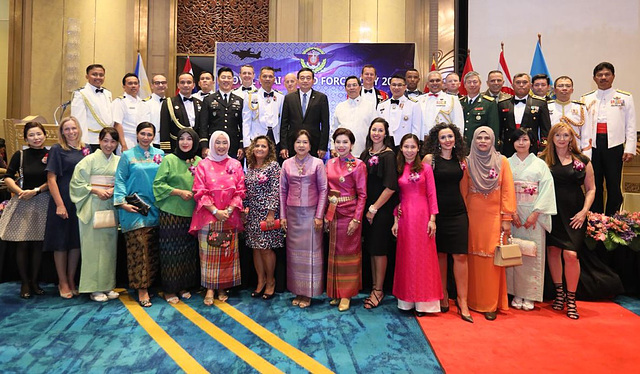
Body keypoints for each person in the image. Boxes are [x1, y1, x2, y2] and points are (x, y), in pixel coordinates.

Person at [541, 123, 596, 319]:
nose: (562, 139)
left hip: (575, 214)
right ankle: (559, 294)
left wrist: (584, 212)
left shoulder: (582, 160)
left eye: (566, 135)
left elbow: (591, 189)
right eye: (558, 135)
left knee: (571, 255)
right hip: (552, 213)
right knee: (553, 251)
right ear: (552, 138)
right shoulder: (544, 160)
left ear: (572, 138)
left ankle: (571, 299)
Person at [422, 123, 473, 322]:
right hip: (436, 213)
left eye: (450, 136)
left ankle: (463, 302)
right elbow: (423, 187)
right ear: (437, 140)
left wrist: (467, 212)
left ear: (456, 139)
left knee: (461, 256)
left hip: (458, 212)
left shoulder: (461, 160)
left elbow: (464, 188)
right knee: (440, 255)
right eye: (443, 137)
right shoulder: (429, 159)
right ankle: (442, 295)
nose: (447, 140)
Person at [464, 126, 516, 320]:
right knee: (472, 256)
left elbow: (507, 191)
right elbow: (463, 192)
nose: (483, 141)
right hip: (471, 217)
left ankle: (491, 304)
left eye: (487, 138)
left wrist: (507, 218)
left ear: (493, 140)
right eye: (479, 138)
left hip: (494, 216)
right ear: (474, 140)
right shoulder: (467, 162)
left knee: (491, 258)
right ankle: (470, 300)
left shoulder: (501, 161)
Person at [190, 131, 246, 305]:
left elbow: (240, 190)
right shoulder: (203, 165)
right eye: (218, 143)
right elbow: (200, 191)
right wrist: (215, 211)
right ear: (212, 144)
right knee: (208, 255)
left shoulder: (235, 164)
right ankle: (209, 288)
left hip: (229, 216)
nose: (221, 146)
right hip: (208, 216)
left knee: (226, 253)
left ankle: (223, 286)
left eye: (224, 143)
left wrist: (228, 210)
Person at [114, 122, 164, 307]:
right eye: (142, 133)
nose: (145, 137)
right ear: (136, 135)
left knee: (152, 250)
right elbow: (119, 180)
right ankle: (141, 289)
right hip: (134, 209)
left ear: (154, 136)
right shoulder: (127, 156)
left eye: (149, 134)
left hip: (155, 208)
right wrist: (122, 203)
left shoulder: (160, 155)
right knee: (139, 249)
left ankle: (150, 285)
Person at [391, 133, 442, 316]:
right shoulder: (398, 168)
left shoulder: (426, 168)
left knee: (423, 258)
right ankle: (406, 301)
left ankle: (424, 304)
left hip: (423, 217)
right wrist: (395, 219)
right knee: (407, 257)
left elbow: (432, 194)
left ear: (418, 148)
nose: (409, 150)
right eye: (406, 147)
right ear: (401, 148)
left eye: (413, 147)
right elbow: (397, 196)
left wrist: (432, 219)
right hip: (405, 217)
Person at [507, 128, 556, 311]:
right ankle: (515, 293)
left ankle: (530, 295)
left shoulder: (540, 164)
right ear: (512, 142)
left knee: (531, 254)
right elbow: (503, 188)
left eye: (525, 139)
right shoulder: (507, 163)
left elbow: (546, 190)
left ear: (531, 142)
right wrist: (511, 212)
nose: (521, 143)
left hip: (534, 214)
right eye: (517, 139)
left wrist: (535, 214)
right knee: (515, 252)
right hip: (513, 213)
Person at [69, 127, 121, 302]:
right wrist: (94, 189)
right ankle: (93, 288)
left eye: (113, 141)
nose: (109, 145)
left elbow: (123, 181)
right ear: (99, 141)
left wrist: (114, 189)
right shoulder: (88, 160)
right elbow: (76, 183)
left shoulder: (119, 161)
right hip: (92, 204)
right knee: (92, 248)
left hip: (109, 205)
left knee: (108, 247)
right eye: (105, 140)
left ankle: (107, 285)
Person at [0, 122, 50, 299]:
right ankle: (24, 282)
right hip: (22, 200)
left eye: (39, 134)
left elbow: (54, 179)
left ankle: (35, 281)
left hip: (42, 200)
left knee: (38, 244)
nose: (36, 138)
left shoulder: (51, 154)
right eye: (31, 135)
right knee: (22, 243)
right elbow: (7, 177)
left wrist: (36, 191)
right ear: (26, 138)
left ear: (45, 135)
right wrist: (20, 191)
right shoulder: (20, 155)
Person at [153, 128, 201, 304]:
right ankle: (168, 289)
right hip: (171, 213)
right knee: (170, 253)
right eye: (182, 138)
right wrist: (178, 192)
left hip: (192, 213)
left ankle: (183, 286)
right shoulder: (169, 159)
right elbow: (158, 184)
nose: (185, 142)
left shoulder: (199, 161)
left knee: (187, 252)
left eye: (189, 139)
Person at [280, 130, 328, 308]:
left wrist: (319, 216)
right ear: (293, 144)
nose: (301, 145)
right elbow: (282, 190)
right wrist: (283, 215)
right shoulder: (286, 164)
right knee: (294, 256)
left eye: (305, 142)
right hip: (292, 215)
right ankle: (298, 290)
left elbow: (324, 189)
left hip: (311, 214)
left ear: (310, 145)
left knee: (311, 254)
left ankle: (309, 293)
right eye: (298, 142)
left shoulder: (317, 163)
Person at [581, 62, 636, 215]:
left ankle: (614, 220)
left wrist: (630, 148)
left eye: (607, 74)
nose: (603, 78)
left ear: (613, 76)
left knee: (613, 185)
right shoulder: (586, 98)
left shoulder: (625, 97)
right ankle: (595, 220)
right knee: (594, 184)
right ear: (594, 78)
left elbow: (631, 124)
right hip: (592, 147)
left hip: (614, 145)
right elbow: (582, 126)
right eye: (599, 75)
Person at [43, 117, 86, 298]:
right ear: (62, 132)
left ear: (78, 129)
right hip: (62, 200)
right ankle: (62, 282)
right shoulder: (57, 149)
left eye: (73, 128)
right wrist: (60, 204)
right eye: (66, 129)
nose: (71, 132)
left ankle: (71, 279)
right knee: (60, 243)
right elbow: (51, 179)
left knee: (75, 242)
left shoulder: (86, 149)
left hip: (80, 201)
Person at [325, 128, 367, 312]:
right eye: (338, 142)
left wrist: (356, 220)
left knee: (348, 255)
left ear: (351, 144)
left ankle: (346, 295)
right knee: (334, 253)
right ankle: (335, 291)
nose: (341, 146)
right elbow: (326, 190)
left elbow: (363, 195)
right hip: (333, 214)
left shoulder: (358, 165)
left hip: (350, 214)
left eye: (345, 142)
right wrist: (326, 215)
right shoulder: (330, 163)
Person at [360, 118, 398, 309]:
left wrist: (374, 208)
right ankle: (375, 286)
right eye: (373, 129)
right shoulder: (366, 153)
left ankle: (379, 289)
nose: (376, 133)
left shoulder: (389, 155)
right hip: (367, 209)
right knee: (371, 249)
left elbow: (391, 186)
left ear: (386, 133)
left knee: (380, 250)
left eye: (380, 130)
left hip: (380, 209)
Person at [244, 135, 284, 300]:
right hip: (252, 213)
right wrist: (244, 208)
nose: (260, 148)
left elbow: (276, 190)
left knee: (266, 249)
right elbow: (246, 189)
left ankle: (270, 281)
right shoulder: (251, 167)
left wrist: (271, 213)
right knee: (256, 248)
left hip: (267, 213)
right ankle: (260, 281)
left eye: (264, 146)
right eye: (257, 145)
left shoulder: (274, 166)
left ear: (269, 150)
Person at [280, 68, 330, 159]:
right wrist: (284, 146)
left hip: (314, 144)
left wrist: (323, 147)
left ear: (313, 80)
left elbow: (325, 124)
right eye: (302, 78)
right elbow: (284, 124)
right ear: (298, 81)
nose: (305, 81)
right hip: (293, 143)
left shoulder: (321, 98)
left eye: (308, 78)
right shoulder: (289, 98)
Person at [497, 73, 551, 156]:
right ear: (512, 85)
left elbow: (545, 129)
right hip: (508, 148)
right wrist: (498, 148)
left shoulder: (540, 103)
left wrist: (543, 148)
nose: (521, 85)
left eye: (524, 82)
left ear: (530, 85)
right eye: (518, 82)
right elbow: (499, 130)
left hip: (531, 148)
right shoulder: (503, 104)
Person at [198, 67, 244, 160]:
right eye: (223, 77)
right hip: (214, 144)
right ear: (218, 80)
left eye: (229, 77)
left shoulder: (239, 100)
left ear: (233, 80)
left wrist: (241, 145)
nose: (226, 80)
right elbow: (203, 125)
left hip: (233, 145)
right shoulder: (209, 99)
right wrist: (204, 146)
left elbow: (242, 125)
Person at [331, 76, 377, 157]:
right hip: (342, 153)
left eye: (354, 85)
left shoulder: (369, 106)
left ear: (360, 87)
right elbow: (334, 129)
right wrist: (332, 147)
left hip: (364, 152)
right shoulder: (340, 107)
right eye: (349, 86)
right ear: (345, 89)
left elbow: (374, 129)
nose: (352, 88)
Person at [242, 67, 284, 155]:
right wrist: (246, 144)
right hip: (256, 138)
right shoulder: (251, 96)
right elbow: (246, 121)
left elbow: (282, 121)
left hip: (275, 138)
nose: (267, 79)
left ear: (274, 79)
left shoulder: (280, 97)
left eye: (270, 76)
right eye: (264, 76)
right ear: (260, 78)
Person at [70, 64, 113, 151]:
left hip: (107, 140)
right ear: (87, 76)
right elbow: (78, 119)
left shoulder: (108, 93)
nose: (98, 77)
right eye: (94, 74)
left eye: (101, 75)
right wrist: (82, 142)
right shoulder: (81, 94)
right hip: (91, 140)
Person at [549, 76, 593, 158]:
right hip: (552, 152)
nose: (564, 88)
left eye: (568, 86)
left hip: (575, 152)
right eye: (560, 86)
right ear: (554, 90)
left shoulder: (580, 108)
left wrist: (586, 156)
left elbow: (586, 134)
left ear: (572, 90)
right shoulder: (547, 107)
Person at [377, 75, 423, 151]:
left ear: (405, 87)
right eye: (394, 85)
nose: (396, 88)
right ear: (390, 86)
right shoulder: (381, 105)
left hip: (405, 146)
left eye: (399, 85)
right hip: (385, 145)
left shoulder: (413, 105)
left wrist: (413, 146)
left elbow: (416, 129)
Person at [160, 72, 202, 153]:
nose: (186, 85)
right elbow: (164, 128)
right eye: (182, 82)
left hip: (196, 148)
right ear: (178, 85)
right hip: (176, 146)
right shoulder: (169, 103)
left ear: (193, 85)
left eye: (189, 82)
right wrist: (166, 150)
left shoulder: (200, 103)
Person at [112, 73, 152, 151]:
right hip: (127, 140)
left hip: (144, 141)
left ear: (139, 86)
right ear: (124, 87)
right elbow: (117, 124)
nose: (133, 86)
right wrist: (123, 145)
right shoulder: (120, 102)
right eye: (130, 83)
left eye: (136, 83)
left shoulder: (143, 103)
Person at [418, 71, 464, 137]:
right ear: (427, 84)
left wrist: (458, 141)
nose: (435, 83)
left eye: (437, 80)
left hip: (444, 139)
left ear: (442, 83)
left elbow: (458, 123)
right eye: (431, 81)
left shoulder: (452, 99)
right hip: (423, 139)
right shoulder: (419, 100)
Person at [460, 71, 499, 147]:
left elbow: (493, 128)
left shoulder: (489, 103)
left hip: (481, 145)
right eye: (469, 82)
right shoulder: (460, 102)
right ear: (464, 85)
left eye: (475, 82)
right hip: (463, 145)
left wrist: (493, 147)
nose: (472, 85)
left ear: (480, 84)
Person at [144, 74, 168, 146]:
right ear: (152, 86)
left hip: (167, 143)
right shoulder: (145, 104)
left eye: (163, 83)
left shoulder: (170, 103)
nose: (161, 85)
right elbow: (144, 125)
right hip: (152, 142)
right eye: (157, 83)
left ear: (167, 85)